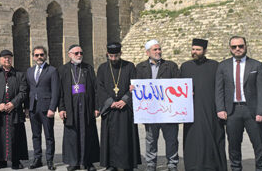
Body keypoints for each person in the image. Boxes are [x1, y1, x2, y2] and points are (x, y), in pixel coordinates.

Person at [215, 36, 262, 171]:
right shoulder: (223, 66)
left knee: (259, 145)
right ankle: (236, 168)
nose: (237, 49)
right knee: (233, 145)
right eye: (234, 47)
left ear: (245, 46)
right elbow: (219, 89)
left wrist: (261, 111)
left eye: (240, 46)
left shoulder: (256, 65)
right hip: (232, 111)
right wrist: (220, 109)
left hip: (252, 111)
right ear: (230, 48)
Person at [178, 38, 227, 171]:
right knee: (193, 138)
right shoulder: (185, 66)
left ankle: (213, 165)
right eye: (193, 49)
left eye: (198, 50)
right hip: (191, 109)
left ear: (205, 50)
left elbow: (221, 87)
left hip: (210, 108)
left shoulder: (215, 65)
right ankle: (193, 165)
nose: (195, 52)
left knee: (212, 136)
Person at [135, 40, 180, 171]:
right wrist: (134, 88)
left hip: (168, 111)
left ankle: (172, 164)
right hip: (150, 112)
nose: (158, 52)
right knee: (150, 139)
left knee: (171, 139)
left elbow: (178, 84)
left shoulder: (171, 66)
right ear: (147, 52)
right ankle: (151, 164)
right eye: (155, 50)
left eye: (159, 49)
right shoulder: (140, 67)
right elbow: (138, 85)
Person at [96, 42, 140, 171]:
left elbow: (134, 86)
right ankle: (111, 165)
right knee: (110, 138)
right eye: (111, 56)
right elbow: (99, 87)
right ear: (107, 55)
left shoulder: (130, 66)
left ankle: (127, 164)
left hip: (125, 109)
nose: (114, 59)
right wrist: (110, 102)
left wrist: (125, 100)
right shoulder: (102, 68)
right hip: (110, 109)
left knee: (126, 137)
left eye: (116, 56)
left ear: (120, 54)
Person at [58, 44, 100, 171]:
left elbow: (95, 89)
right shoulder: (63, 69)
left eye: (81, 53)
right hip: (71, 108)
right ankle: (73, 162)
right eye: (76, 53)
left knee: (88, 134)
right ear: (70, 54)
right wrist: (61, 108)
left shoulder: (88, 68)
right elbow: (60, 91)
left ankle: (88, 162)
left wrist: (97, 107)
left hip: (86, 107)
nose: (79, 55)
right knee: (72, 135)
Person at [0, 49, 28, 170]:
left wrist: (13, 103)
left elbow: (23, 92)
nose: (7, 59)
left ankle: (15, 161)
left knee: (16, 136)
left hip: (14, 111)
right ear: (0, 59)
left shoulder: (19, 75)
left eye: (9, 57)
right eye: (4, 57)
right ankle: (0, 161)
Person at [25, 46, 59, 170]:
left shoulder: (52, 70)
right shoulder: (29, 71)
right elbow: (28, 90)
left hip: (46, 108)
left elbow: (56, 91)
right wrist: (27, 108)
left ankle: (50, 160)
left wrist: (52, 108)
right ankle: (37, 159)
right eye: (36, 55)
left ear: (46, 55)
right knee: (35, 135)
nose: (39, 57)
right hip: (33, 107)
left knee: (49, 135)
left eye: (41, 55)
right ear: (33, 56)